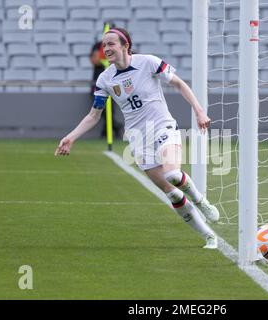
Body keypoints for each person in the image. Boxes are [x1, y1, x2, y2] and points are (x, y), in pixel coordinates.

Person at [55, 27, 220, 249]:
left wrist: (199, 111)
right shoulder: (105, 79)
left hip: (163, 126)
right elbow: (94, 115)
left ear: (125, 45)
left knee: (172, 173)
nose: (106, 48)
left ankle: (200, 201)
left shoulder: (148, 62)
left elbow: (179, 84)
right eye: (104, 45)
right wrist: (71, 137)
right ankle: (209, 236)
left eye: (111, 43)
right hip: (138, 139)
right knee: (172, 195)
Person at [90, 41, 125, 140]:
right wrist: (103, 58)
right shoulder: (97, 45)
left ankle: (107, 131)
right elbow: (94, 60)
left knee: (111, 110)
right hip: (98, 83)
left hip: (114, 84)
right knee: (100, 110)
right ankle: (115, 127)